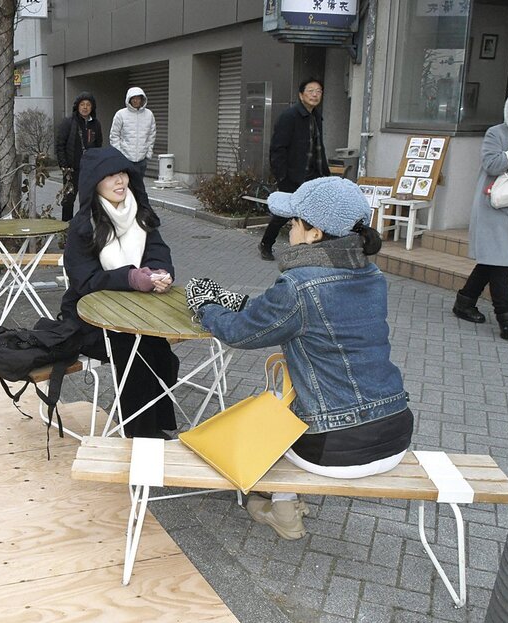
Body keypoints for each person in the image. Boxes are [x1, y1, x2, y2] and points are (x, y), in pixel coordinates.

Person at [189, 177, 413, 540]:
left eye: (293, 223)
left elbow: (239, 332)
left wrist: (205, 305)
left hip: (336, 447)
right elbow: (280, 314)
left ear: (314, 234)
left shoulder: (298, 285)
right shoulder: (372, 276)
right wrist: (234, 302)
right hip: (396, 433)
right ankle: (285, 502)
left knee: (271, 409)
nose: (289, 230)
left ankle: (284, 509)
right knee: (286, 402)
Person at [60, 146, 178, 438]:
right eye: (109, 175)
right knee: (135, 353)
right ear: (94, 182)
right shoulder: (84, 225)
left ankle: (158, 423)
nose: (119, 181)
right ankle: (139, 431)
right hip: (91, 319)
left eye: (123, 173)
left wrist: (159, 274)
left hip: (139, 313)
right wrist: (132, 278)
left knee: (163, 354)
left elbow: (159, 252)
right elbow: (84, 280)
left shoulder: (141, 214)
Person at [452, 85, 508, 340]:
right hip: (495, 206)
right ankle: (507, 319)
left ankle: (464, 301)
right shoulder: (496, 133)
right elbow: (492, 163)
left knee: (494, 259)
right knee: (502, 263)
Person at [259, 78, 330, 261]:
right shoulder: (289, 117)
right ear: (301, 95)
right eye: (311, 91)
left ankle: (308, 246)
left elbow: (318, 147)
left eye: (319, 91)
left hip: (314, 174)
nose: (315, 94)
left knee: (314, 211)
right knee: (284, 213)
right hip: (293, 175)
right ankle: (266, 244)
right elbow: (277, 148)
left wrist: (325, 174)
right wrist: (282, 176)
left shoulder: (316, 116)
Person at [55, 92, 103, 222]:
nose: (85, 107)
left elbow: (98, 145)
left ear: (92, 107)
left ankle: (91, 228)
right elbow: (60, 145)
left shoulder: (95, 124)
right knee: (68, 199)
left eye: (88, 105)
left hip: (90, 170)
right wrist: (64, 165)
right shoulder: (68, 122)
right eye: (82, 104)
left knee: (91, 200)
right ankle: (66, 229)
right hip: (72, 169)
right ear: (77, 106)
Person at [110, 87, 156, 177]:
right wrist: (120, 153)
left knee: (139, 185)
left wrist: (148, 153)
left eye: (138, 98)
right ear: (129, 99)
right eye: (133, 98)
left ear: (142, 99)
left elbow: (152, 135)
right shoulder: (121, 114)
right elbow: (114, 135)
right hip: (125, 157)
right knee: (126, 184)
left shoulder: (149, 114)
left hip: (142, 158)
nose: (135, 101)